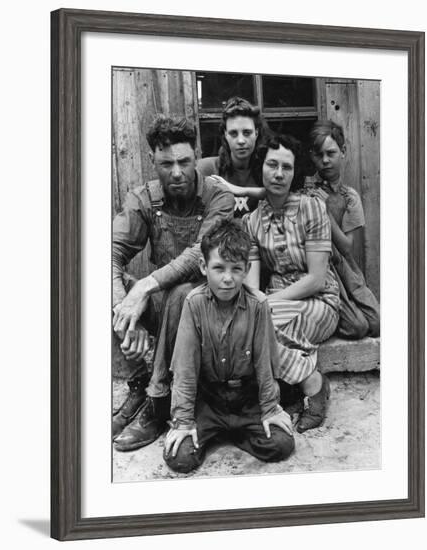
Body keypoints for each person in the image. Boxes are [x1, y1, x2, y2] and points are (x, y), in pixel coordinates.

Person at [112, 115, 235, 451]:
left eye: (184, 162)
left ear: (196, 156)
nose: (177, 172)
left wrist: (145, 285)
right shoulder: (143, 199)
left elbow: (200, 255)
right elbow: (108, 253)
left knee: (184, 292)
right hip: (163, 306)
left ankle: (157, 403)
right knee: (105, 285)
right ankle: (139, 382)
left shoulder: (218, 199)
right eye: (166, 164)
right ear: (153, 160)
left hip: (210, 312)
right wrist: (126, 311)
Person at [163, 220, 294, 473]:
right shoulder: (194, 303)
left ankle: (233, 431)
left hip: (247, 399)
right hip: (209, 399)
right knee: (180, 458)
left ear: (246, 269)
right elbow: (185, 369)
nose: (227, 279)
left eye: (236, 269)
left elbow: (264, 363)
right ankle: (219, 429)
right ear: (203, 267)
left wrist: (269, 410)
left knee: (280, 444)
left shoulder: (258, 305)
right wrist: (182, 421)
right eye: (218, 268)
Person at [243, 134, 340, 433]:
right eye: (272, 165)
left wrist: (266, 304)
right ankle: (308, 379)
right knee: (250, 326)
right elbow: (251, 284)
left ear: (294, 172)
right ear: (261, 167)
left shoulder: (311, 208)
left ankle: (311, 389)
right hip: (273, 298)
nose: (279, 173)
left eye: (286, 167)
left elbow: (316, 278)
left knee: (273, 330)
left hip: (319, 300)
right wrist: (259, 302)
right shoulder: (251, 222)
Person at [305, 120, 380, 338]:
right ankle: (331, 316)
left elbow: (347, 247)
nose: (325, 160)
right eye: (319, 155)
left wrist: (325, 213)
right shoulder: (305, 188)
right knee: (358, 327)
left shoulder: (350, 197)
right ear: (312, 156)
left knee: (376, 324)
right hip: (319, 265)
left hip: (344, 266)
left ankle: (348, 308)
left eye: (331, 153)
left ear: (343, 152)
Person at [197, 96, 268, 217]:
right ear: (225, 135)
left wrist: (238, 190)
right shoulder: (208, 169)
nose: (241, 140)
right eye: (233, 133)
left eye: (247, 133)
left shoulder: (267, 168)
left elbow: (285, 195)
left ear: (256, 133)